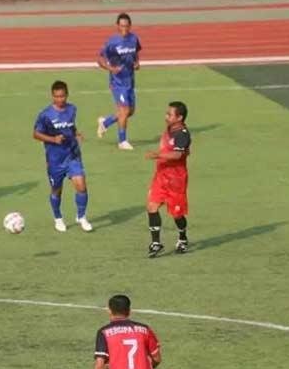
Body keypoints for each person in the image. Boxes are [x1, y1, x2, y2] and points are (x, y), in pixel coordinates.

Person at [33, 80, 93, 232]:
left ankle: (81, 216)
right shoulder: (45, 115)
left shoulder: (72, 109)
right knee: (56, 190)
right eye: (56, 97)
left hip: (72, 155)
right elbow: (36, 134)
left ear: (67, 95)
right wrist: (53, 139)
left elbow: (71, 126)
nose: (60, 100)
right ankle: (58, 218)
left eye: (62, 96)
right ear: (52, 96)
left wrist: (76, 133)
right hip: (55, 160)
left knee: (81, 185)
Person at [145, 101, 191, 258]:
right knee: (152, 206)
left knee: (177, 214)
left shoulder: (183, 134)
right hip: (161, 176)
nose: (166, 117)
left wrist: (158, 155)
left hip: (176, 179)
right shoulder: (171, 128)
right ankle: (156, 243)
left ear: (179, 117)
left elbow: (178, 155)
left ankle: (183, 238)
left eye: (169, 114)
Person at [97, 13, 142, 150]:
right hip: (118, 82)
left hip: (130, 80)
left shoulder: (134, 39)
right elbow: (100, 59)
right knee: (124, 109)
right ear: (117, 26)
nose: (124, 29)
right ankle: (122, 141)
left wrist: (137, 63)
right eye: (122, 26)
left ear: (130, 26)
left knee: (130, 111)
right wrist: (110, 68)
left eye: (127, 26)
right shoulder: (112, 42)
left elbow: (136, 54)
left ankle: (105, 122)